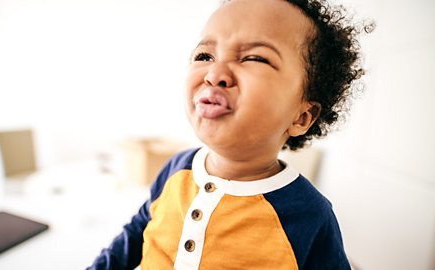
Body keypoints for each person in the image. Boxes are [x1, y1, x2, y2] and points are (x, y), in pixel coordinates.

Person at [88, 0, 371, 269]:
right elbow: (139, 228)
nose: (215, 72)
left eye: (254, 58)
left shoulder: (310, 215)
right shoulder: (176, 169)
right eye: (204, 56)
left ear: (301, 116)